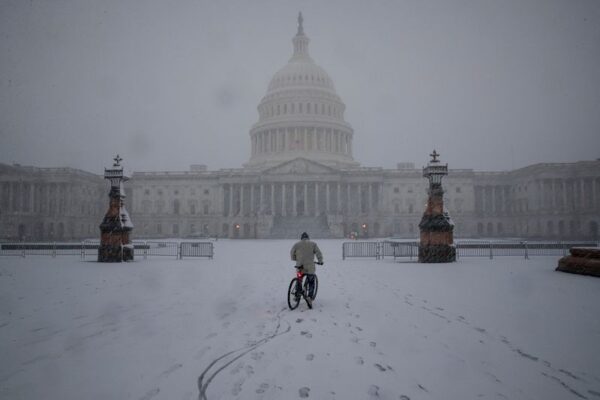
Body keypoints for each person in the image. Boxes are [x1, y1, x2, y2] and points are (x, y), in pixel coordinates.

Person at [290, 232, 323, 307]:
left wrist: (296, 259)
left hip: (300, 266)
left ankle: (297, 294)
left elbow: (292, 253)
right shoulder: (313, 244)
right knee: (311, 281)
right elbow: (318, 253)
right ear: (308, 238)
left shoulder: (296, 244)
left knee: (299, 279)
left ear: (301, 238)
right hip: (310, 267)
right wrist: (320, 261)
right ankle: (310, 298)